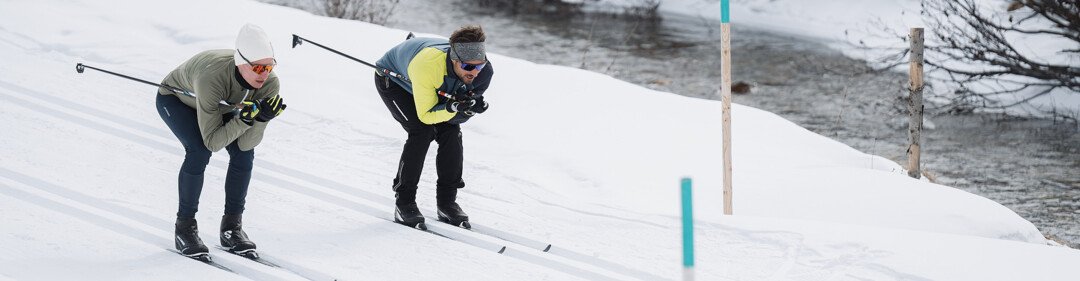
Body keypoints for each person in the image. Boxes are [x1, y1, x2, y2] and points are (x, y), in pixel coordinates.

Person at [155, 23, 286, 259]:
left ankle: (231, 228)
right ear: (241, 62)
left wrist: (262, 119)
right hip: (177, 100)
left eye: (268, 66)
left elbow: (247, 144)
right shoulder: (211, 77)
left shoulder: (270, 84)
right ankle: (184, 228)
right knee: (198, 151)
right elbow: (213, 142)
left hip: (221, 106)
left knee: (244, 154)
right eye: (257, 68)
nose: (264, 74)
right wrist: (245, 121)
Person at [374, 25, 493, 229]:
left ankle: (447, 202)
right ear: (454, 60)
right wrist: (453, 106)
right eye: (467, 67)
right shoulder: (428, 65)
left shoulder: (483, 73)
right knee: (422, 132)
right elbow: (427, 115)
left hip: (431, 84)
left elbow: (455, 119)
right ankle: (404, 202)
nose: (474, 72)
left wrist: (467, 110)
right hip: (394, 80)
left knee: (451, 133)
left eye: (478, 66)